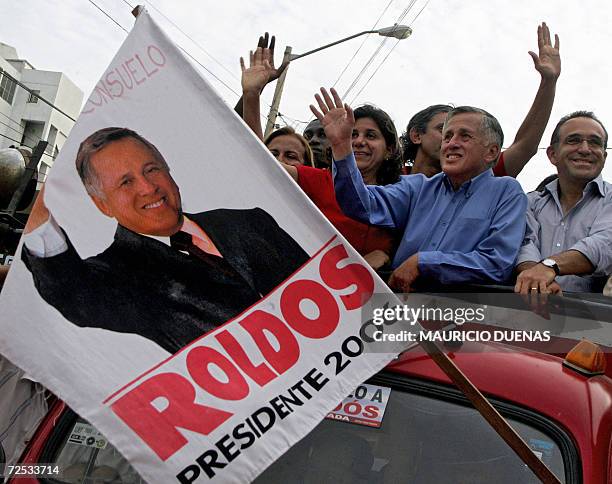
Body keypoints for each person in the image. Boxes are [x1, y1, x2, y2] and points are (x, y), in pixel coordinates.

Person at [21, 127, 309, 353]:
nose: (148, 187)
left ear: (169, 170)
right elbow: (72, 292)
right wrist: (40, 220)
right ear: (102, 205)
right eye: (126, 182)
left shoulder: (250, 222)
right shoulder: (118, 276)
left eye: (151, 169)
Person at [313, 88, 527, 292]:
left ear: (491, 152)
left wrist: (424, 262)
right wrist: (342, 147)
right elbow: (360, 205)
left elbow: (496, 263)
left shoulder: (507, 193)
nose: (451, 144)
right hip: (395, 313)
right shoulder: (417, 187)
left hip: (460, 321)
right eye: (447, 136)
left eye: (465, 136)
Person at [240, 45, 402, 270]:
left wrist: (385, 254)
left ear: (390, 150)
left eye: (371, 135)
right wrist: (251, 96)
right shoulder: (320, 181)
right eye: (353, 134)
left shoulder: (402, 196)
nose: (359, 141)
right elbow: (261, 164)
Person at [401, 22, 561, 179]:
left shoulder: (476, 180)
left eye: (465, 135)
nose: (452, 142)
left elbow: (525, 145)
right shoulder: (386, 179)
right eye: (445, 133)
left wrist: (549, 82)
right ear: (416, 135)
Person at [514, 111, 612, 294]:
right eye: (573, 140)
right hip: (526, 311)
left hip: (595, 319)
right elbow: (524, 243)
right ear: (552, 154)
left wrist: (549, 267)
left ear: (604, 157)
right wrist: (536, 280)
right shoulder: (530, 202)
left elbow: (604, 243)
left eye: (595, 142)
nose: (585, 149)